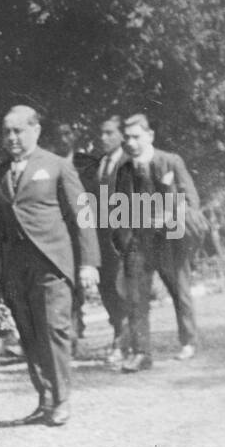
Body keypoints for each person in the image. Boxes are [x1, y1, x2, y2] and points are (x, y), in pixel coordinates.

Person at [0, 105, 99, 427]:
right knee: (29, 333)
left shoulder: (57, 166)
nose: (12, 138)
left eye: (18, 131)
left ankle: (61, 400)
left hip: (52, 264)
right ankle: (45, 398)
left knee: (54, 330)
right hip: (14, 269)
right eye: (6, 132)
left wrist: (89, 264)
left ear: (36, 131)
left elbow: (83, 215)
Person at [111, 113, 201, 371]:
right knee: (137, 297)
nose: (131, 143)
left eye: (136, 137)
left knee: (179, 289)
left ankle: (189, 341)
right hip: (140, 240)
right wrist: (124, 240)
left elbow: (190, 197)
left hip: (170, 238)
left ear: (149, 136)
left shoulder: (170, 161)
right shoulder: (125, 169)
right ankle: (142, 353)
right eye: (126, 138)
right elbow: (118, 209)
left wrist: (174, 215)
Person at [52, 122, 100, 354]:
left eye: (68, 132)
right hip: (62, 235)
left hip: (89, 230)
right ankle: (71, 333)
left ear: (75, 135)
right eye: (59, 134)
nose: (64, 138)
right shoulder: (48, 165)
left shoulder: (89, 164)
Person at [94, 115, 130, 364]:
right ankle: (119, 332)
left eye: (109, 133)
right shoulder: (100, 164)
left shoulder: (128, 163)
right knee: (106, 288)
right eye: (102, 133)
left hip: (123, 238)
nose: (104, 138)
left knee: (121, 288)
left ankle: (122, 340)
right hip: (102, 237)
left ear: (122, 136)